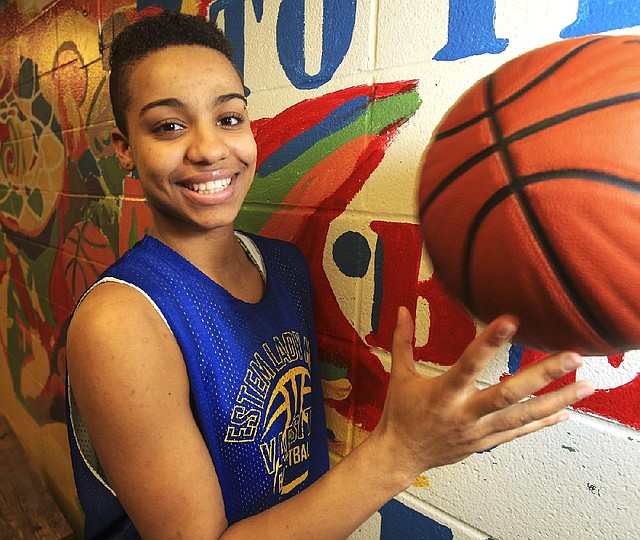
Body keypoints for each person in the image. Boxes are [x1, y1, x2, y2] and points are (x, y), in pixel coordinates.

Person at [65, 11, 595, 539]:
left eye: (229, 118)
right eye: (168, 126)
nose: (209, 149)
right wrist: (402, 451)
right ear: (126, 150)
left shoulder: (284, 266)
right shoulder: (121, 322)